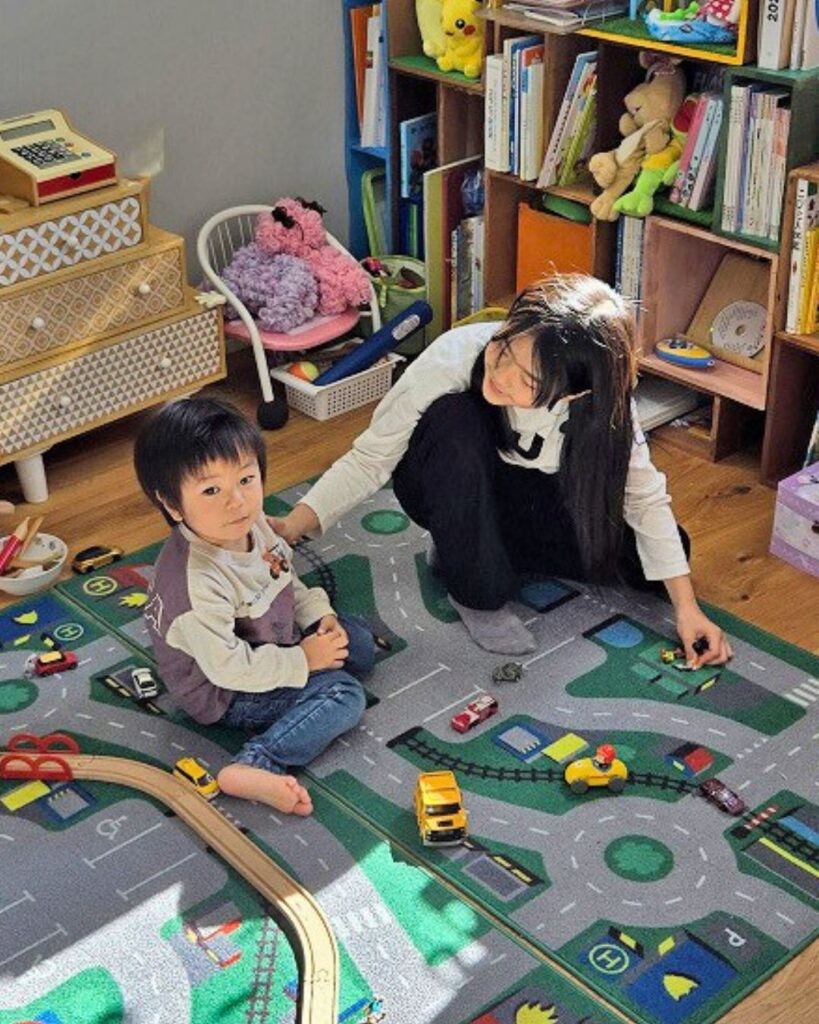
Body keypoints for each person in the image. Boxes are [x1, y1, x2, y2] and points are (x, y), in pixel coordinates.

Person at [272, 274, 732, 669]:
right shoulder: (454, 356)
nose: (502, 373)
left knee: (656, 562)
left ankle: (478, 549)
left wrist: (687, 609)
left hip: (534, 498)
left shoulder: (604, 406)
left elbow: (644, 500)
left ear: (574, 394)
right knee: (454, 419)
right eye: (505, 348)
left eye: (528, 380)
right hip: (456, 484)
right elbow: (371, 457)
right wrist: (295, 524)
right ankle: (470, 575)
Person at [134, 397, 373, 815]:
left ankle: (310, 662)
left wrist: (319, 615)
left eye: (246, 479)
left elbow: (284, 580)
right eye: (211, 490)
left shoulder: (252, 524)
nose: (237, 501)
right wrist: (304, 660)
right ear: (172, 504)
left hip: (270, 639)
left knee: (359, 644)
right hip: (226, 690)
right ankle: (256, 763)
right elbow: (228, 669)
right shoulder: (195, 585)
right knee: (344, 694)